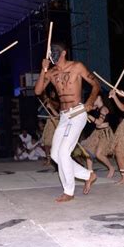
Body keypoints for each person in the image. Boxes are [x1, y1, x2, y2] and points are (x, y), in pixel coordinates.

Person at [34, 41, 100, 202]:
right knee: (56, 155)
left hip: (77, 112)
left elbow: (95, 84)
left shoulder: (77, 66)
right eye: (50, 52)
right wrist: (43, 70)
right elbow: (37, 91)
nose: (52, 54)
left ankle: (69, 191)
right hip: (63, 116)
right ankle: (88, 175)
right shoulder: (51, 72)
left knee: (64, 152)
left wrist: (91, 100)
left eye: (55, 51)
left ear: (63, 53)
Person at [81, 94, 115, 178]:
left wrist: (88, 116)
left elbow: (99, 122)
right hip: (97, 132)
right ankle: (90, 172)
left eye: (94, 98)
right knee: (88, 150)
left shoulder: (104, 109)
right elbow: (87, 108)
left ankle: (111, 167)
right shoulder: (96, 108)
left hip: (105, 133)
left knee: (99, 154)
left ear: (99, 98)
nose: (93, 100)